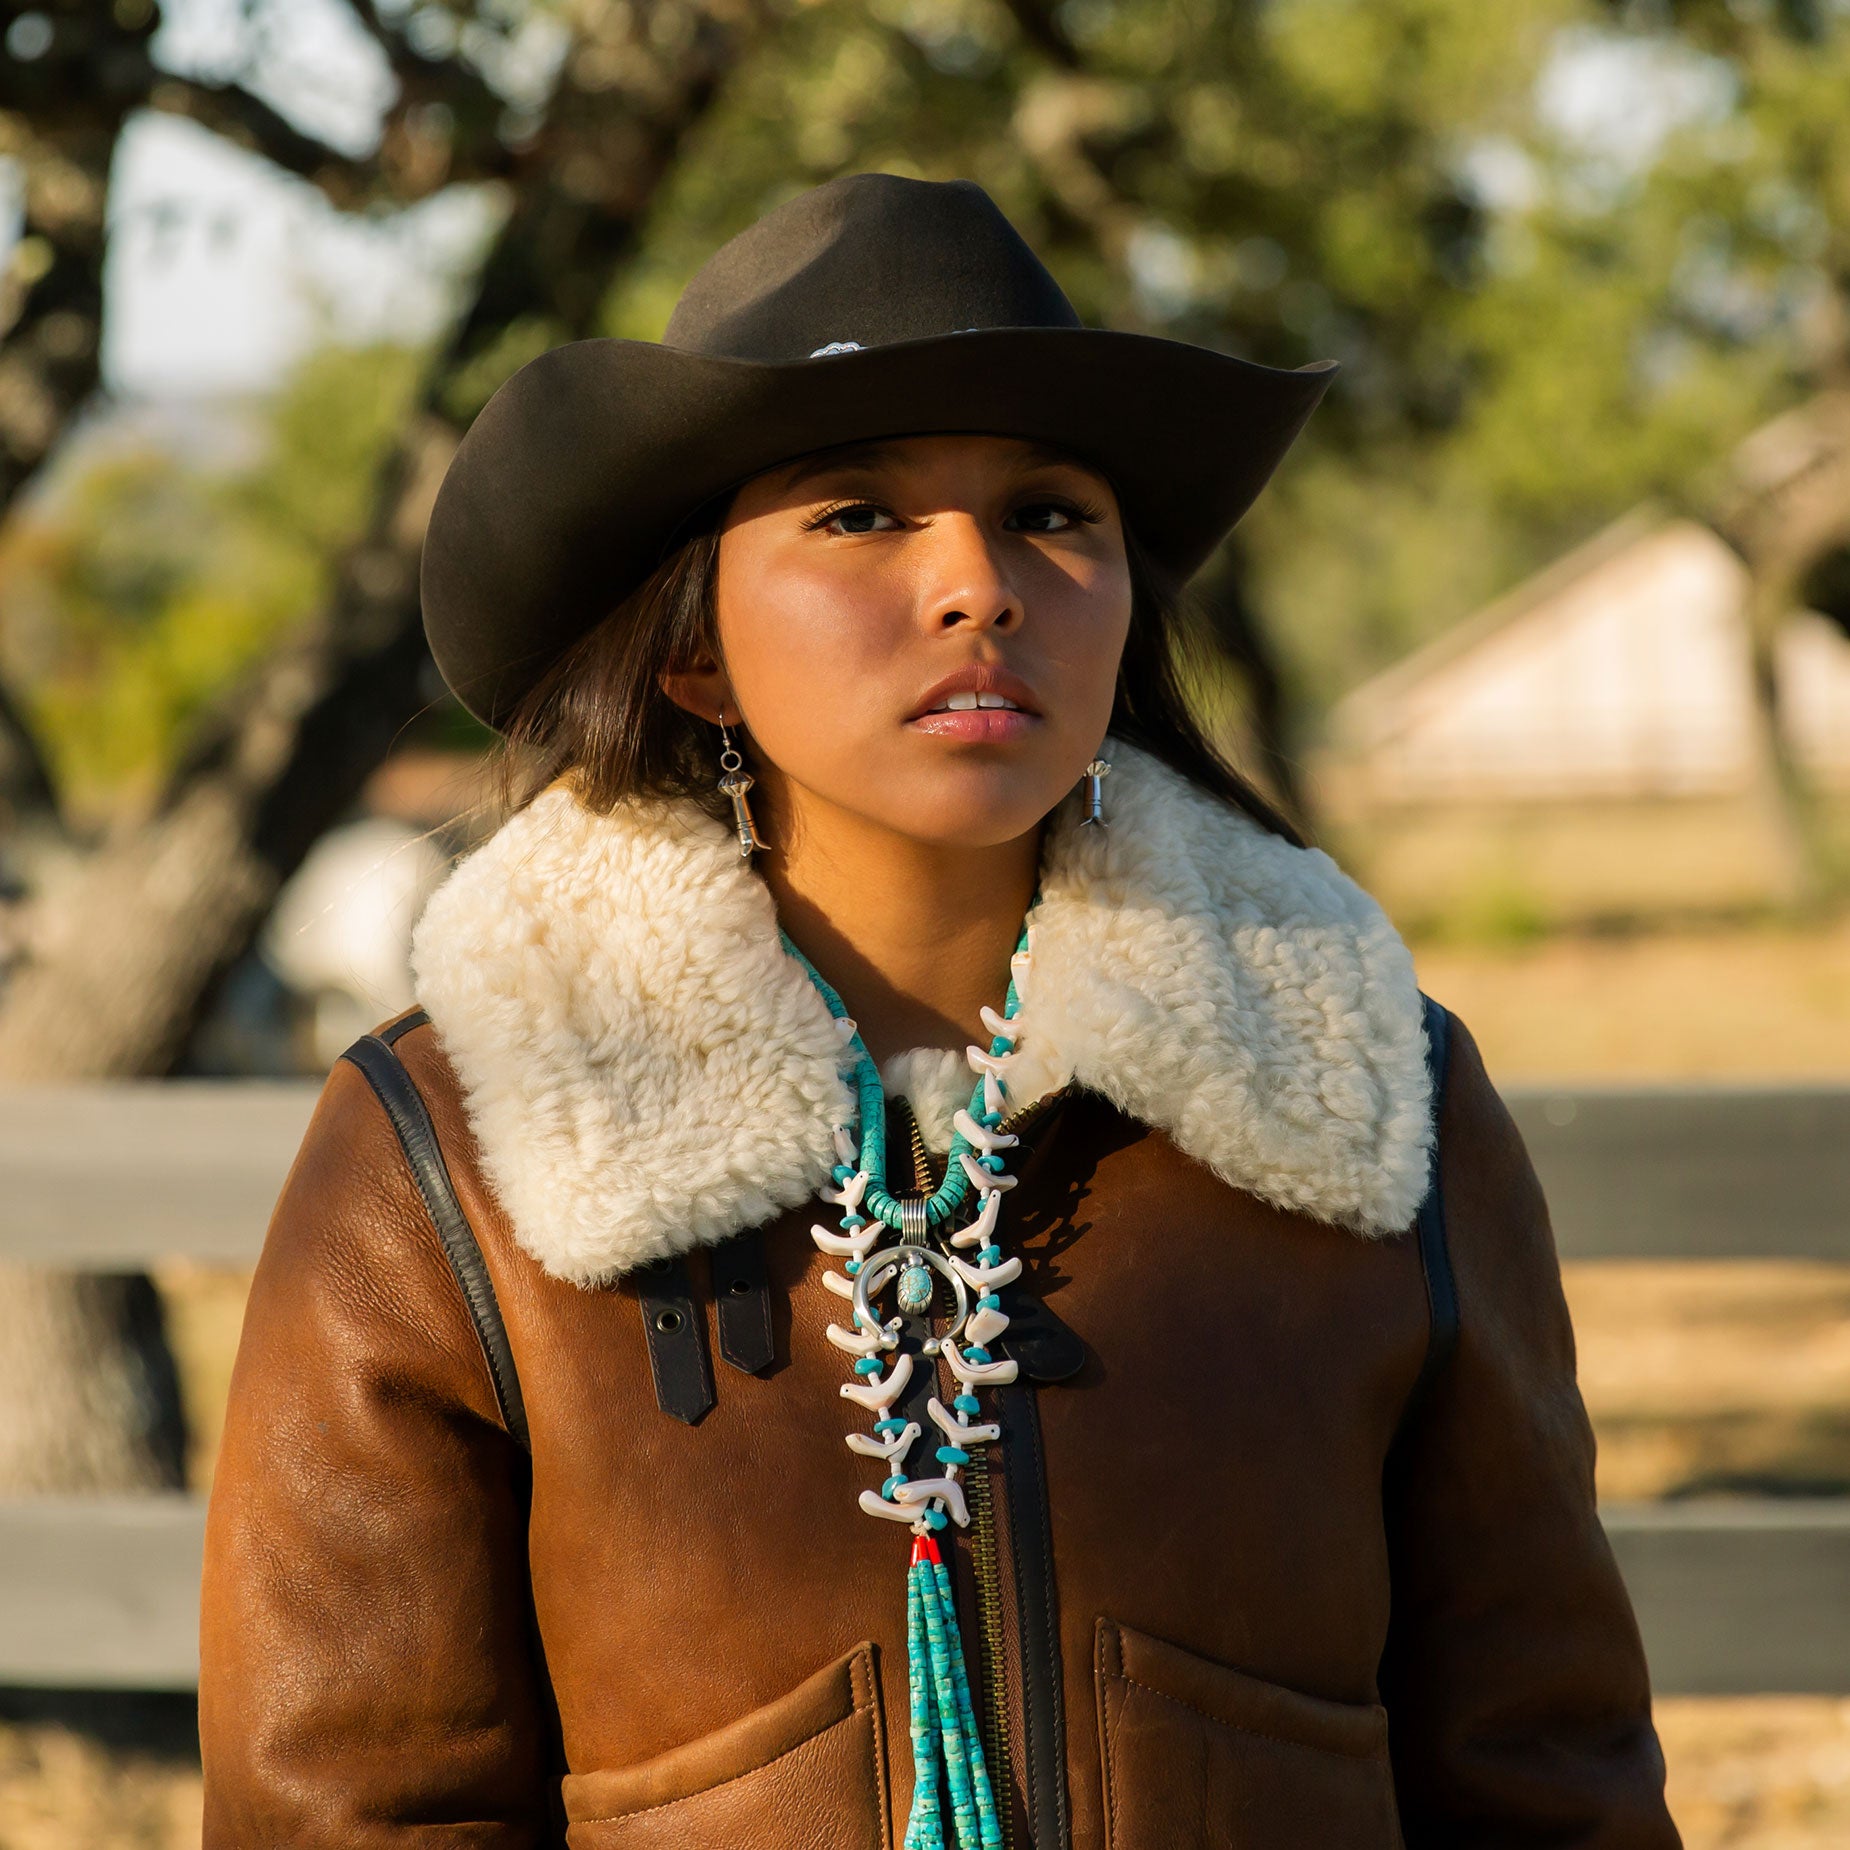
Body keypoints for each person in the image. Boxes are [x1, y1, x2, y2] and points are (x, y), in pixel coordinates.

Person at [198, 174, 1680, 1848]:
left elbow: (1546, 1771)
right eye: (858, 516)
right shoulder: (458, 1143)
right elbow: (349, 1809)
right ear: (694, 650)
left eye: (1051, 512)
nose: (979, 584)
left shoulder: (1365, 1083)